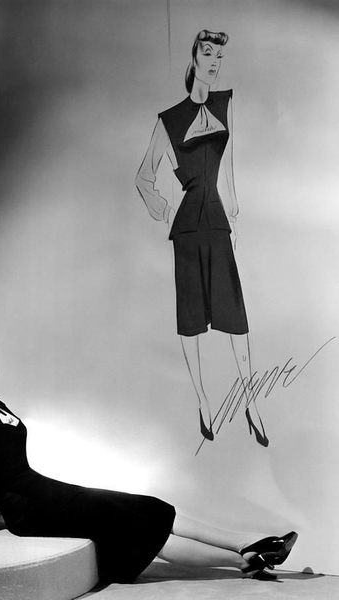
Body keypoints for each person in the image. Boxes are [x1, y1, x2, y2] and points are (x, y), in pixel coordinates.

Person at [0, 328, 297, 582]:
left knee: (148, 506)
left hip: (42, 491)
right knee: (133, 524)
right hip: (31, 508)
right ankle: (245, 563)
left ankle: (250, 542)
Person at [135, 30, 268, 446]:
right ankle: (203, 401)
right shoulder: (170, 119)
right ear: (193, 58)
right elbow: (143, 177)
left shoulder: (225, 103)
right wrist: (162, 209)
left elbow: (228, 169)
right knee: (192, 319)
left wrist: (234, 215)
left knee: (235, 317)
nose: (213, 61)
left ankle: (251, 402)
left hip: (217, 221)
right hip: (188, 227)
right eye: (207, 53)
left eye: (218, 55)